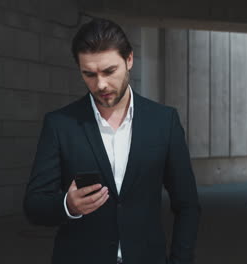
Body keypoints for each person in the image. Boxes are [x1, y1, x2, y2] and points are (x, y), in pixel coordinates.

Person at [23, 18, 200, 264]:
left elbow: (187, 204)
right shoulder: (60, 124)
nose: (101, 84)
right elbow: (34, 204)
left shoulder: (164, 121)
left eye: (109, 71)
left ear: (129, 60)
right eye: (89, 74)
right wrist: (68, 205)